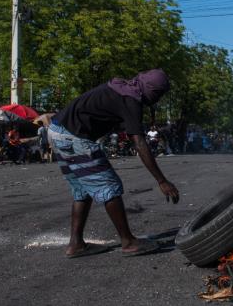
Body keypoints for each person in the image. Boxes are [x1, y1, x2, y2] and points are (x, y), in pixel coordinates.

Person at [50, 69, 179, 258]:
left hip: (56, 131)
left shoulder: (122, 89)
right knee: (109, 185)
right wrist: (161, 180)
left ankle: (76, 244)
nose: (157, 99)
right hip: (73, 136)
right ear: (150, 88)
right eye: (158, 94)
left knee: (83, 190)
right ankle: (128, 241)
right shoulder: (131, 99)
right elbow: (139, 142)